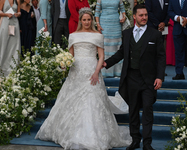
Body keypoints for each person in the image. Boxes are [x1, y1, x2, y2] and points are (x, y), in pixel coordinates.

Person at [35, 7, 131, 149]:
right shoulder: (73, 35)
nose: (86, 22)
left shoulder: (98, 35)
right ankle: (69, 133)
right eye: (84, 19)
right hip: (76, 72)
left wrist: (96, 71)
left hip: (92, 70)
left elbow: (101, 56)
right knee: (71, 101)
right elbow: (70, 55)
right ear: (80, 20)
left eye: (89, 19)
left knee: (92, 101)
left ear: (92, 20)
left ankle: (93, 135)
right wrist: (64, 64)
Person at [103, 4, 166, 150]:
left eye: (146, 15)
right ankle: (135, 139)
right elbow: (121, 53)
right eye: (141, 15)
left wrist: (160, 77)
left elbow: (161, 58)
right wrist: (106, 63)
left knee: (148, 111)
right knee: (133, 111)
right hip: (131, 78)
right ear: (134, 17)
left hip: (149, 80)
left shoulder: (155, 34)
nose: (144, 18)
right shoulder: (126, 34)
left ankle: (147, 143)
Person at [95, 0, 126, 77]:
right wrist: (98, 24)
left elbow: (123, 9)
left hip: (116, 23)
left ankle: (118, 72)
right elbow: (97, 12)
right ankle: (105, 72)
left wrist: (124, 17)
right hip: (104, 24)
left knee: (116, 46)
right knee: (105, 46)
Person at [0, 0, 21, 76]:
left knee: (14, 45)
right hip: (5, 22)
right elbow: (0, 11)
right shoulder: (3, 0)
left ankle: (13, 66)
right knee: (4, 43)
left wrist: (17, 14)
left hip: (14, 23)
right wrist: (6, 14)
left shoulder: (17, 1)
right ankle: (2, 66)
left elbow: (19, 12)